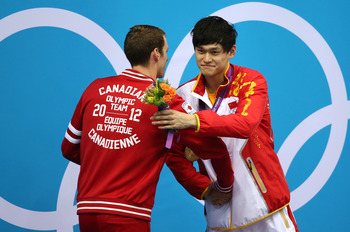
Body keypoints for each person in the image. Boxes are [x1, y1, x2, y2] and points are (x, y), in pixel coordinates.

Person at [61, 24, 233, 232]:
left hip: (87, 212)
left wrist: (108, 158)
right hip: (128, 214)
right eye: (166, 51)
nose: (168, 58)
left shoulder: (95, 88)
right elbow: (213, 147)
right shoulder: (163, 98)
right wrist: (224, 186)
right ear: (156, 54)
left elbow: (68, 149)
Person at [151, 16, 299, 232]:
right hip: (220, 210)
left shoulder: (251, 80)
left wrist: (193, 120)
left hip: (265, 207)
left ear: (232, 52)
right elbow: (174, 154)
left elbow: (245, 124)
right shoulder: (183, 94)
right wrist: (202, 187)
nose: (206, 59)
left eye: (215, 52)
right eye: (200, 51)